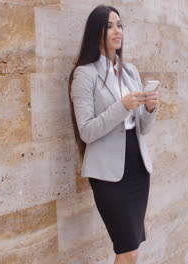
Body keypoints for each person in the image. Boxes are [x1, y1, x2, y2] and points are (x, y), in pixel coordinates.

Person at [68, 4, 159, 264]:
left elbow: (142, 128)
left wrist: (149, 108)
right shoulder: (84, 75)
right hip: (108, 174)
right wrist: (122, 106)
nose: (117, 30)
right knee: (127, 249)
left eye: (119, 25)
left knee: (131, 249)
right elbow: (86, 130)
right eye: (109, 26)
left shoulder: (129, 71)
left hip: (137, 166)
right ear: (95, 31)